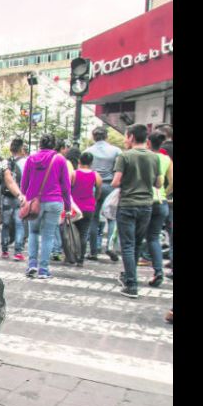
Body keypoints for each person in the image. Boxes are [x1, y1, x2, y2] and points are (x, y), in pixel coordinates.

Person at [112, 124, 162, 299]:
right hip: (146, 205)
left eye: (126, 136)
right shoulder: (155, 158)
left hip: (127, 204)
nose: (125, 140)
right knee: (137, 243)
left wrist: (128, 180)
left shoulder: (124, 156)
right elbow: (158, 184)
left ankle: (131, 284)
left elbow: (116, 182)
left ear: (132, 137)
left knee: (127, 244)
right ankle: (129, 276)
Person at [20, 134, 72, 279]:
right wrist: (68, 207)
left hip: (34, 201)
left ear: (40, 144)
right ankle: (43, 270)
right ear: (54, 145)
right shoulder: (60, 159)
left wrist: (25, 197)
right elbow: (66, 186)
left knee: (33, 233)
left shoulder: (31, 159)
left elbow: (24, 183)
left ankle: (31, 265)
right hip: (54, 201)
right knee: (48, 236)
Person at [85, 126, 122, 261]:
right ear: (106, 136)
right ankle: (110, 247)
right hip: (111, 186)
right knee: (112, 218)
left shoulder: (88, 151)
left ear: (93, 137)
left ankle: (93, 251)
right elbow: (119, 169)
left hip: (94, 186)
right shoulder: (116, 151)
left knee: (93, 219)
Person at [141, 131, 172, 287]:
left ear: (148, 142)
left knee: (136, 238)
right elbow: (171, 180)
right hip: (162, 201)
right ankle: (158, 271)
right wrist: (166, 192)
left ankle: (129, 274)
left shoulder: (145, 157)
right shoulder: (166, 159)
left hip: (144, 200)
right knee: (154, 238)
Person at [71, 152, 102, 267]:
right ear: (91, 162)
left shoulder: (73, 174)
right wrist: (95, 200)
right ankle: (81, 258)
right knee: (83, 234)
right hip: (89, 207)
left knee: (71, 231)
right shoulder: (96, 175)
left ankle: (71, 254)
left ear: (79, 161)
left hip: (74, 207)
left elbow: (68, 189)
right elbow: (99, 191)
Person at [0, 138, 28, 261]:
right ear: (21, 149)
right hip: (21, 196)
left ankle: (5, 250)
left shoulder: (5, 162)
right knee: (19, 223)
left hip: (6, 196)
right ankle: (18, 251)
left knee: (5, 224)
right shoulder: (26, 162)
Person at [50, 139, 76, 261]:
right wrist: (68, 205)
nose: (68, 149)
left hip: (47, 196)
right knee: (59, 224)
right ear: (61, 148)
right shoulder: (65, 162)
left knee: (53, 225)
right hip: (59, 197)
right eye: (66, 147)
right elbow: (68, 183)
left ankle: (54, 249)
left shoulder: (48, 160)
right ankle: (57, 249)